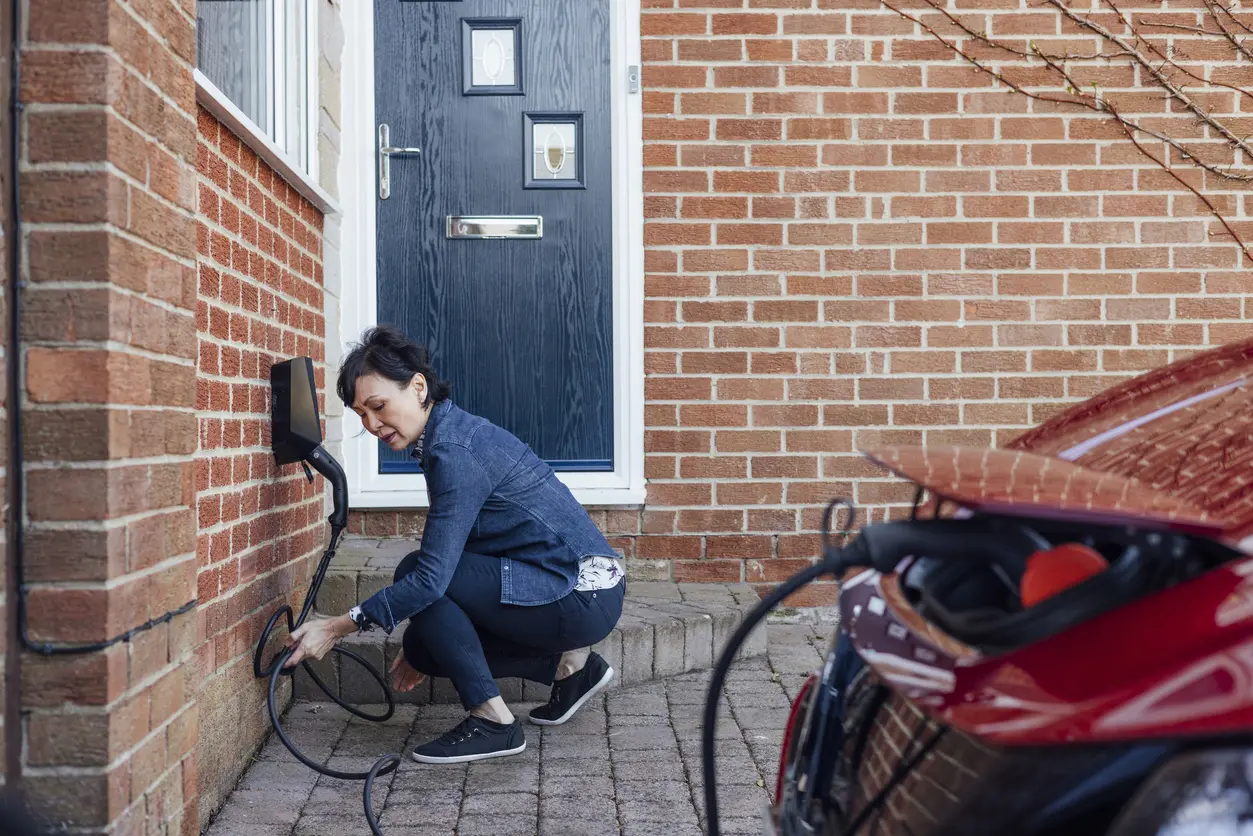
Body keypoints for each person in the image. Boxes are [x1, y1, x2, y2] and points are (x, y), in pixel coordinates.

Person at [282, 325, 625, 764]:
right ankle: (570, 671)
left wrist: (334, 627)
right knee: (425, 646)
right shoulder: (451, 434)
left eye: (379, 406)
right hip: (577, 584)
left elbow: (429, 579)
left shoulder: (454, 452)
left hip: (579, 593)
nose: (371, 425)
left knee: (415, 574)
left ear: (418, 386)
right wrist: (424, 639)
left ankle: (495, 722)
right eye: (360, 415)